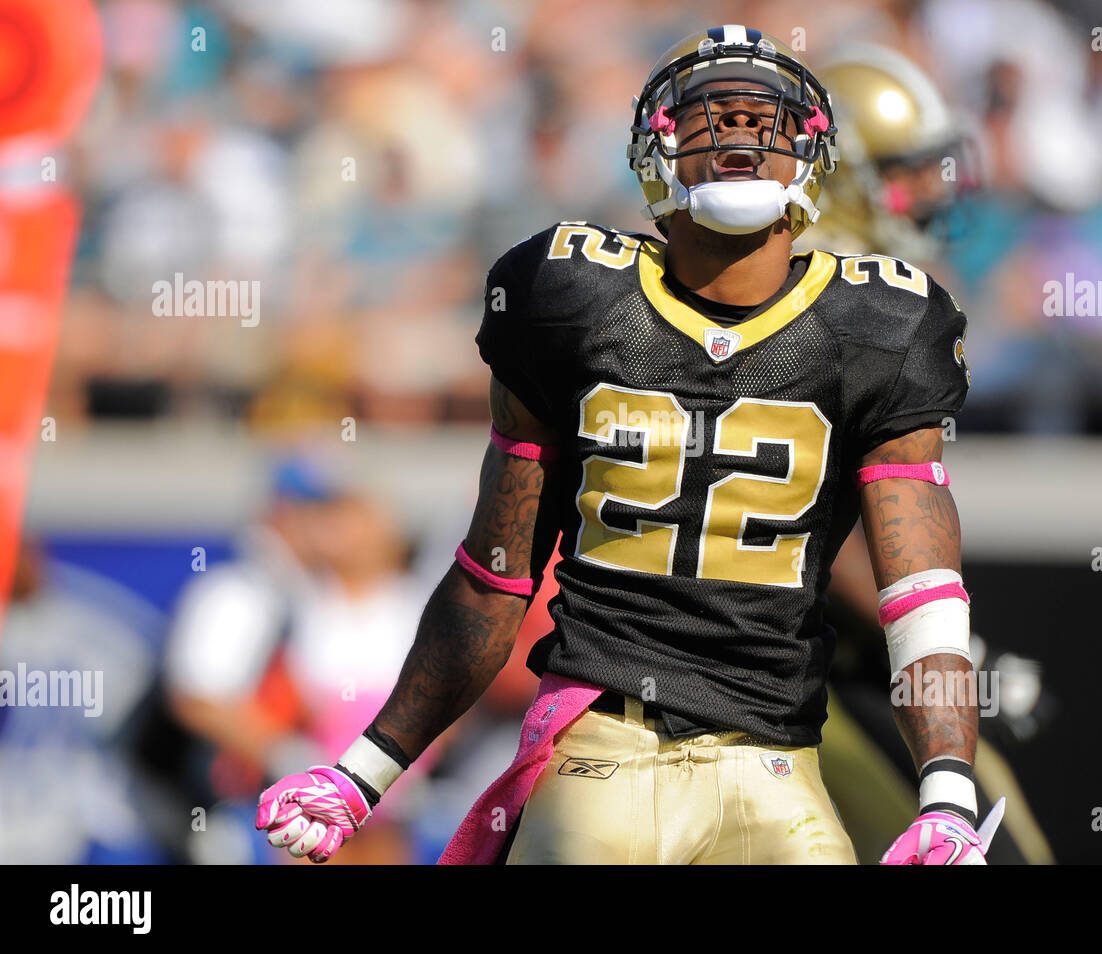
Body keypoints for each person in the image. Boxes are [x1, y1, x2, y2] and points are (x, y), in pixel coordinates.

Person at [257, 25, 990, 865]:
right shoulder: (569, 297)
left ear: (814, 158)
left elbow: (922, 596)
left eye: (766, 121)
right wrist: (364, 771)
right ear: (655, 152)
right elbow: (494, 577)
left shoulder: (883, 325)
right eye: (714, 119)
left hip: (772, 760)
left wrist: (947, 797)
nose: (742, 140)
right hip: (598, 745)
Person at [804, 43, 1056, 864]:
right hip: (799, 671)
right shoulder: (838, 306)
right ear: (845, 180)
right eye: (911, 175)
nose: (937, 195)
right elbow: (843, 524)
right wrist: (949, 653)